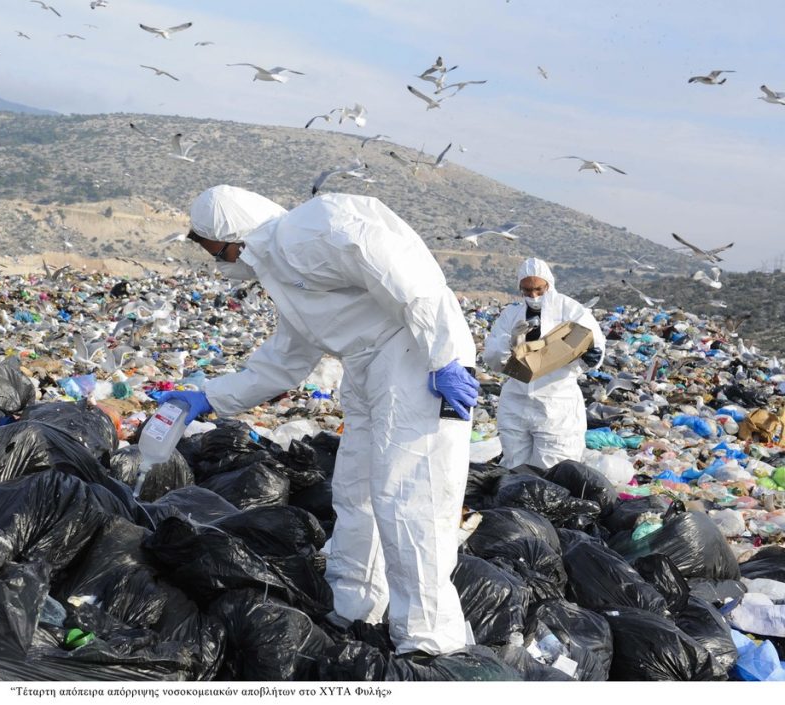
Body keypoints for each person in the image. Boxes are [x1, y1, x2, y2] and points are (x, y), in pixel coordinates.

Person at [153, 185, 479, 656]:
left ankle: (432, 643)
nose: (221, 263)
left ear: (233, 236)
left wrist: (444, 354)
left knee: (411, 497)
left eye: (216, 250)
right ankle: (354, 605)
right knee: (358, 489)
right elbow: (286, 358)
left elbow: (405, 272)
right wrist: (209, 396)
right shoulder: (282, 270)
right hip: (369, 369)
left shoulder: (308, 229)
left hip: (416, 359)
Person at [483, 257, 605, 469]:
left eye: (539, 289)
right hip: (516, 400)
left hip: (557, 402)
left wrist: (593, 355)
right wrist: (510, 341)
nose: (533, 295)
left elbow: (593, 341)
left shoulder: (570, 309)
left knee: (554, 467)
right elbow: (493, 359)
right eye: (527, 290)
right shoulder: (512, 314)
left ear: (549, 284)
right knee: (514, 465)